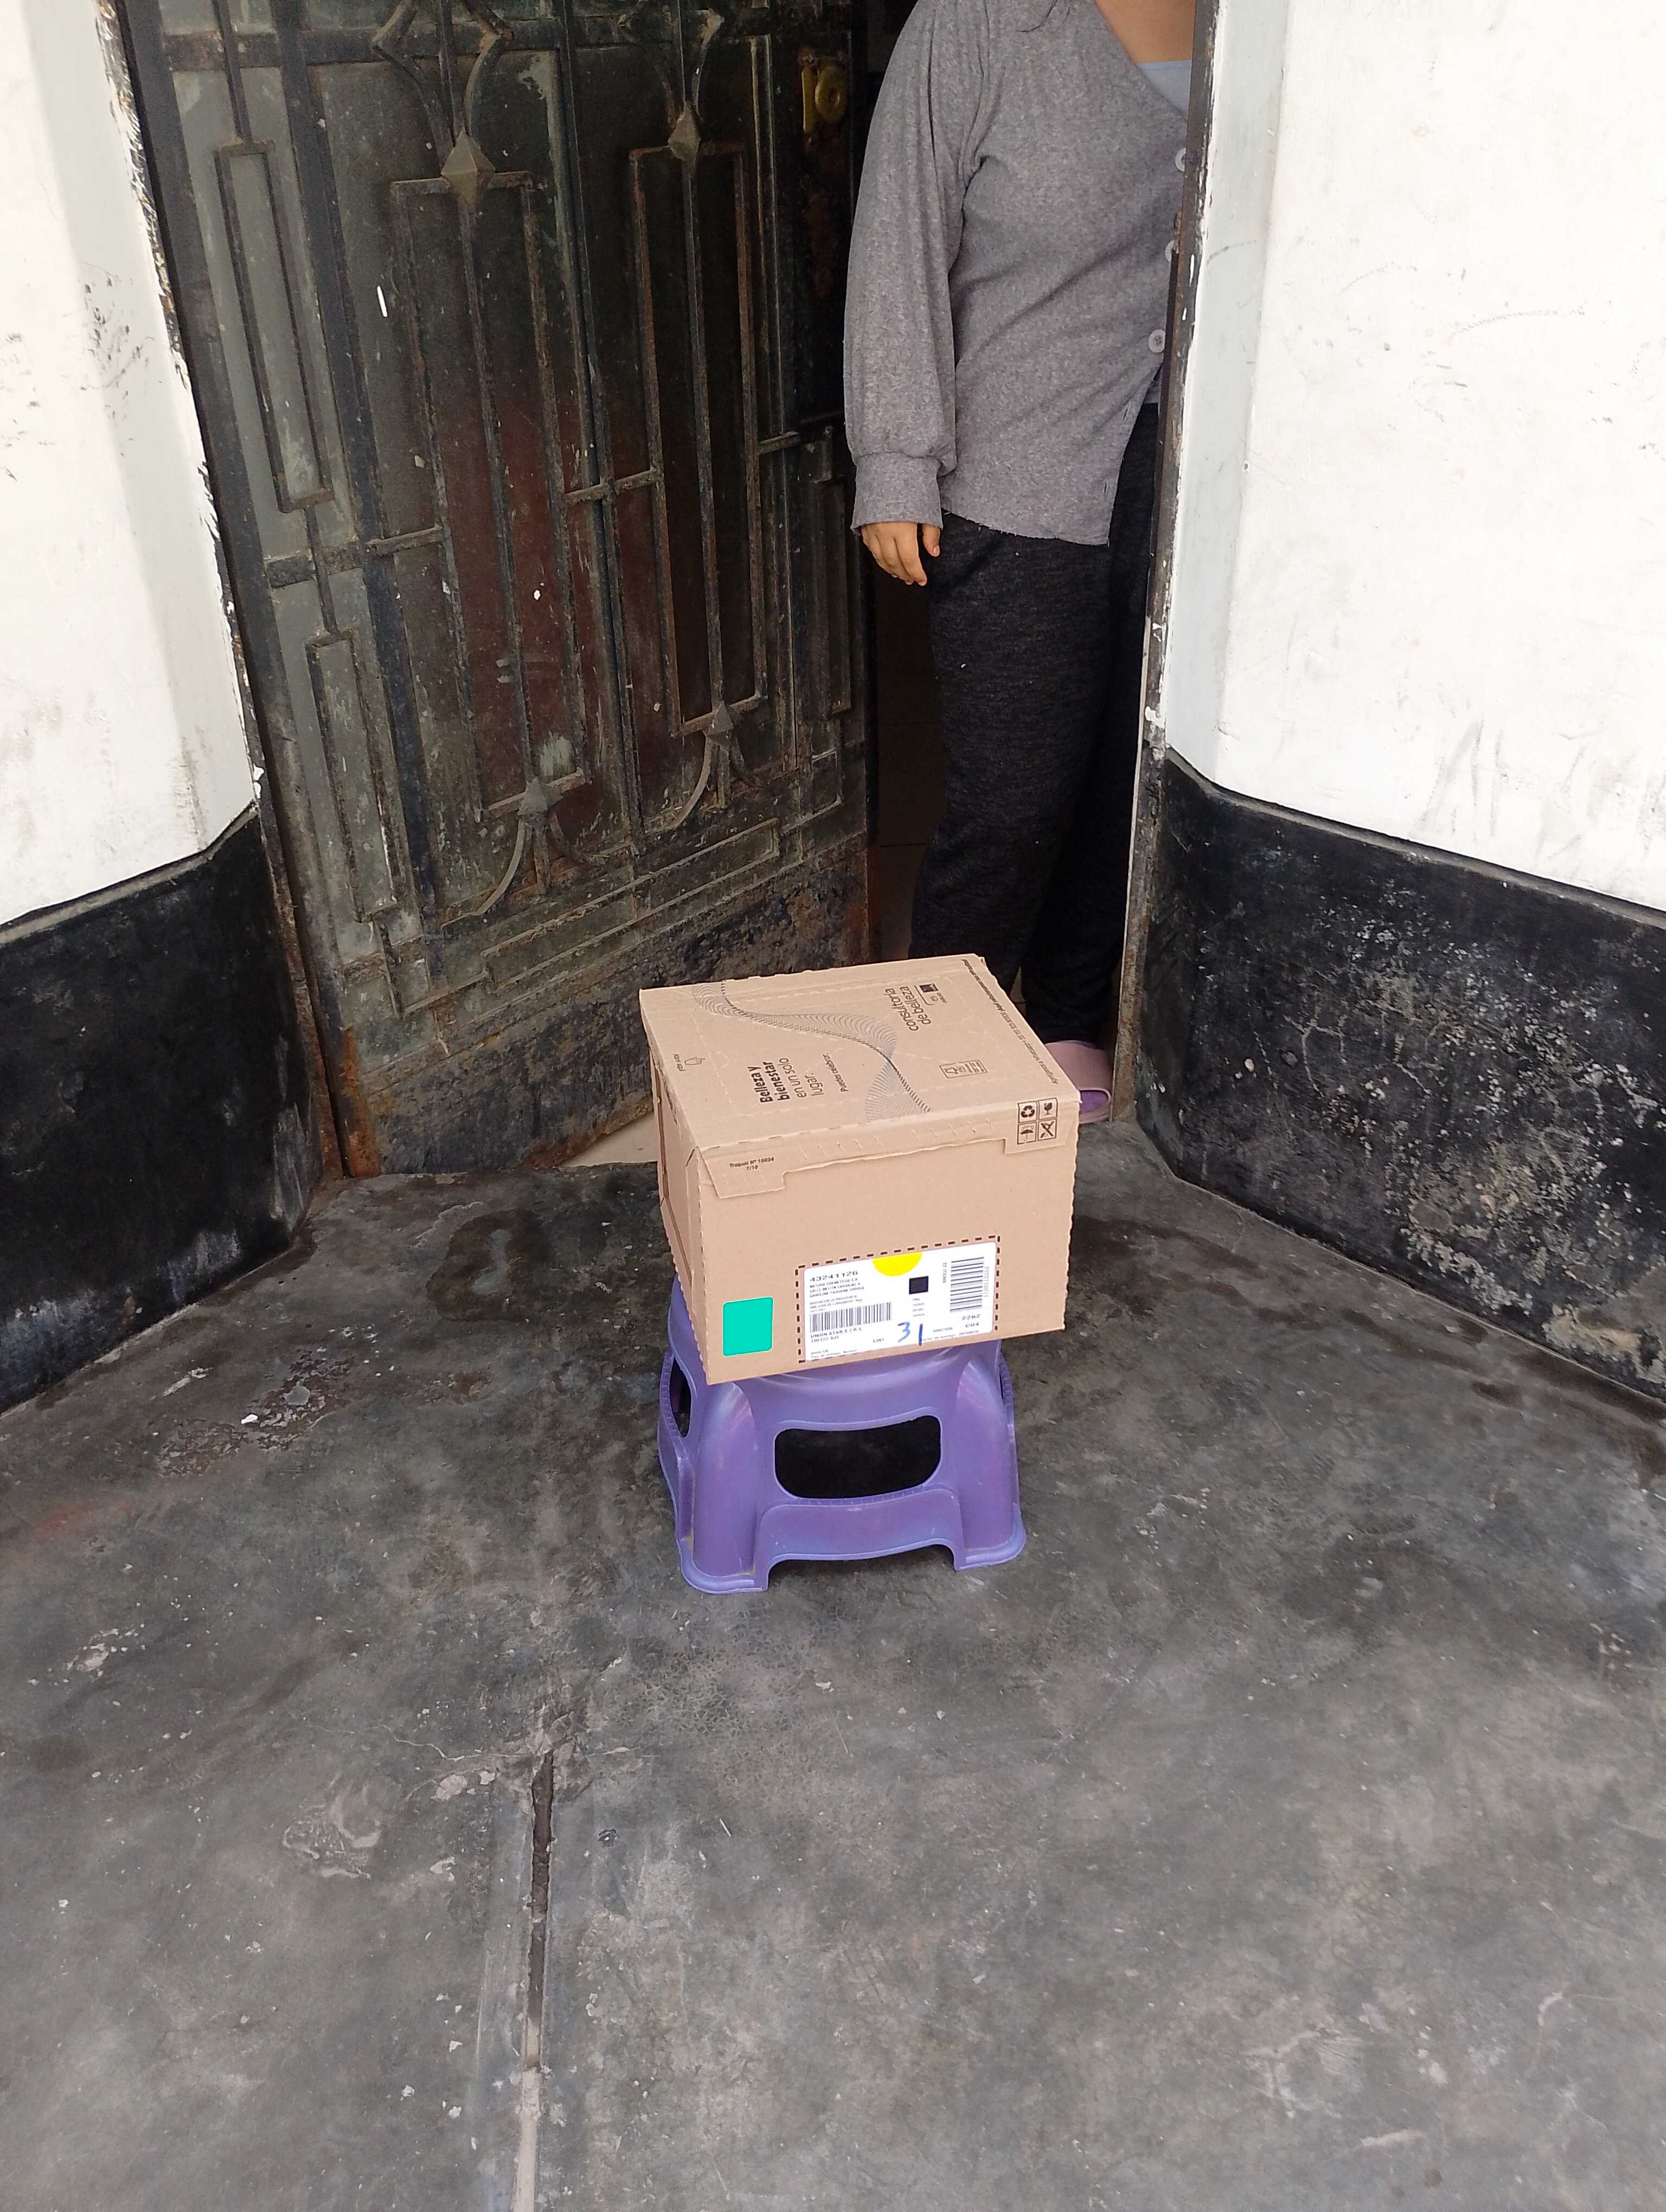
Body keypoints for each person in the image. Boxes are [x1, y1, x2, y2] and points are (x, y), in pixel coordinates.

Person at [845, 0, 1194, 1121]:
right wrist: (897, 459)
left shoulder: (1252, 26)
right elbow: (900, 235)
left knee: (1119, 784)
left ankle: (1065, 1023)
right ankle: (935, 1050)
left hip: (1182, 479)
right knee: (1013, 803)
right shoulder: (978, 26)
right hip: (1018, 473)